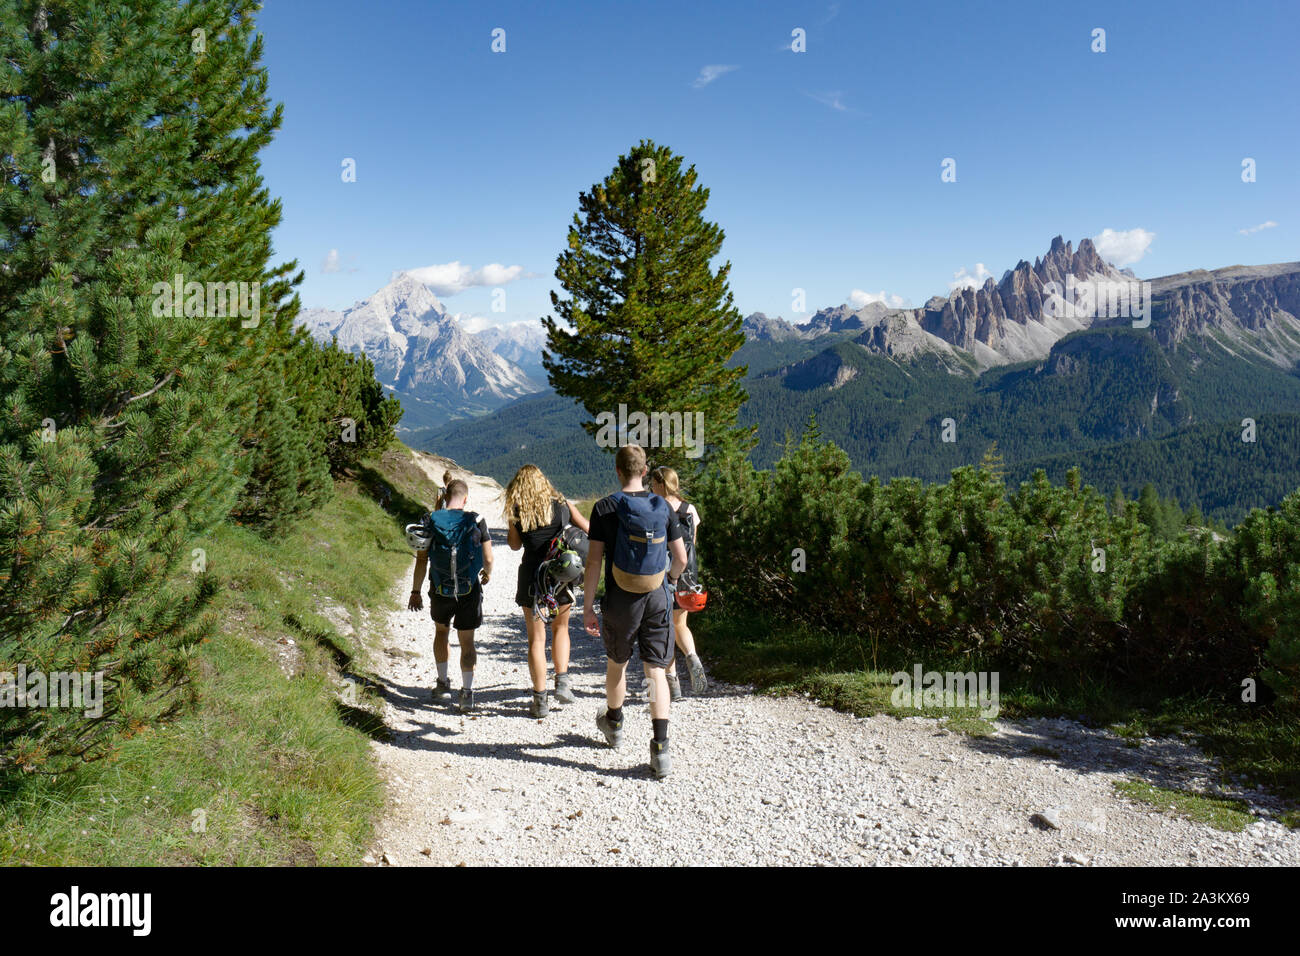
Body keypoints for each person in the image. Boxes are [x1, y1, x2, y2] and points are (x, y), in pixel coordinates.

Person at [583, 445, 688, 779]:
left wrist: (587, 606)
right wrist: (668, 582)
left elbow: (594, 561)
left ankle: (614, 723)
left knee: (618, 663)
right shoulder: (664, 507)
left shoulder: (605, 508)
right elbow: (682, 559)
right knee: (656, 670)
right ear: (645, 472)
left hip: (621, 597)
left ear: (617, 471)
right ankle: (661, 749)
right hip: (657, 595)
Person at [505, 464, 591, 718]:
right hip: (561, 575)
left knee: (536, 639)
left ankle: (540, 700)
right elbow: (588, 528)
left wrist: (515, 523)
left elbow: (513, 545)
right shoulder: (561, 503)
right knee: (561, 628)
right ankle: (562, 681)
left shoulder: (518, 510)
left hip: (532, 577)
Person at [407, 473, 493, 713]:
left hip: (440, 588)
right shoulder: (477, 519)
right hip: (469, 589)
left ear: (445, 497)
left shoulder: (430, 519)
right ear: (465, 499)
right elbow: (488, 558)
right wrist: (487, 573)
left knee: (441, 632)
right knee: (467, 642)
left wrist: (415, 591)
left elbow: (422, 559)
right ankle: (466, 693)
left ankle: (443, 684)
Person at [649, 466, 709, 698]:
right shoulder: (689, 508)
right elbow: (693, 542)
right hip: (687, 571)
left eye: (653, 483)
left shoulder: (655, 506)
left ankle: (672, 683)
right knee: (680, 623)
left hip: (660, 571)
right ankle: (692, 655)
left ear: (661, 484)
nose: (651, 487)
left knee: (663, 628)